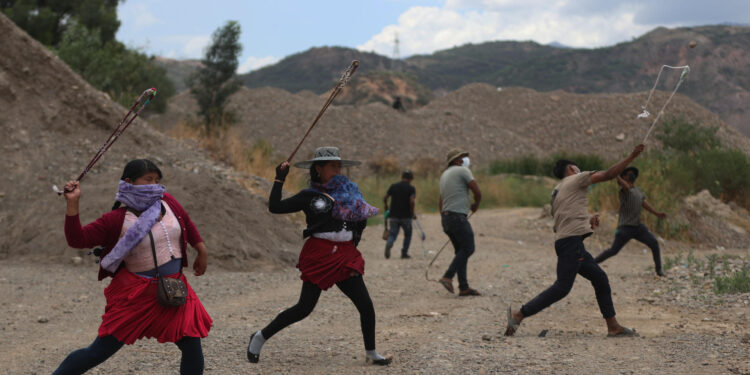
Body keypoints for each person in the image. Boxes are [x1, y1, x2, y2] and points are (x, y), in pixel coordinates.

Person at [54, 159, 212, 375]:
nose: (155, 185)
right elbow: (77, 239)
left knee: (192, 344)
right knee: (98, 352)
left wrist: (201, 250)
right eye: (148, 180)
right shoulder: (115, 220)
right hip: (136, 297)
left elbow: (186, 221)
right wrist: (72, 203)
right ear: (129, 182)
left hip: (174, 289)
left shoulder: (168, 202)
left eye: (157, 180)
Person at [247, 147, 392, 366]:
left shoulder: (350, 192)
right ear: (319, 168)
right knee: (304, 308)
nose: (337, 169)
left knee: (365, 304)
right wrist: (279, 179)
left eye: (338, 165)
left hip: (344, 255)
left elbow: (360, 220)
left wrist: (353, 243)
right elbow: (275, 207)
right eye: (332, 166)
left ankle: (371, 353)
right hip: (320, 254)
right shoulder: (309, 196)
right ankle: (260, 336)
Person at [505, 144, 645, 338]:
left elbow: (563, 219)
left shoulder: (557, 190)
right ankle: (519, 314)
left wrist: (587, 222)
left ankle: (613, 326)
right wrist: (631, 156)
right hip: (571, 244)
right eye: (577, 167)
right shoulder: (577, 178)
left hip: (569, 243)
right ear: (572, 169)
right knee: (562, 288)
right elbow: (609, 175)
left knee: (600, 279)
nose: (580, 170)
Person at [594, 167, 666, 276]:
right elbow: (625, 186)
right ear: (624, 177)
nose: (631, 175)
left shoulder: (637, 190)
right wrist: (616, 175)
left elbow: (643, 203)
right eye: (629, 174)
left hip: (637, 226)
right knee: (613, 251)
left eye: (633, 174)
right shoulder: (623, 190)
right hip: (625, 227)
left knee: (654, 243)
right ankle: (591, 263)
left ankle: (659, 270)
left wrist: (656, 213)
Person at [438, 149, 482, 297]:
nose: (464, 161)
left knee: (461, 251)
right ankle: (447, 276)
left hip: (447, 217)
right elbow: (476, 190)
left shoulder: (445, 175)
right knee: (469, 248)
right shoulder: (462, 171)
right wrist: (476, 204)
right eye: (462, 158)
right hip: (457, 217)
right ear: (456, 160)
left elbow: (441, 199)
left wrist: (444, 218)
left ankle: (463, 287)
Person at [383, 170, 416, 259]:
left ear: (402, 177)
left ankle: (389, 243)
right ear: (410, 179)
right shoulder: (411, 188)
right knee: (408, 234)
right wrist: (412, 213)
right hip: (406, 216)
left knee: (393, 233)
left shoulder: (394, 186)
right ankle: (404, 253)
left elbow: (385, 197)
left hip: (393, 215)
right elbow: (412, 201)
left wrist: (386, 206)